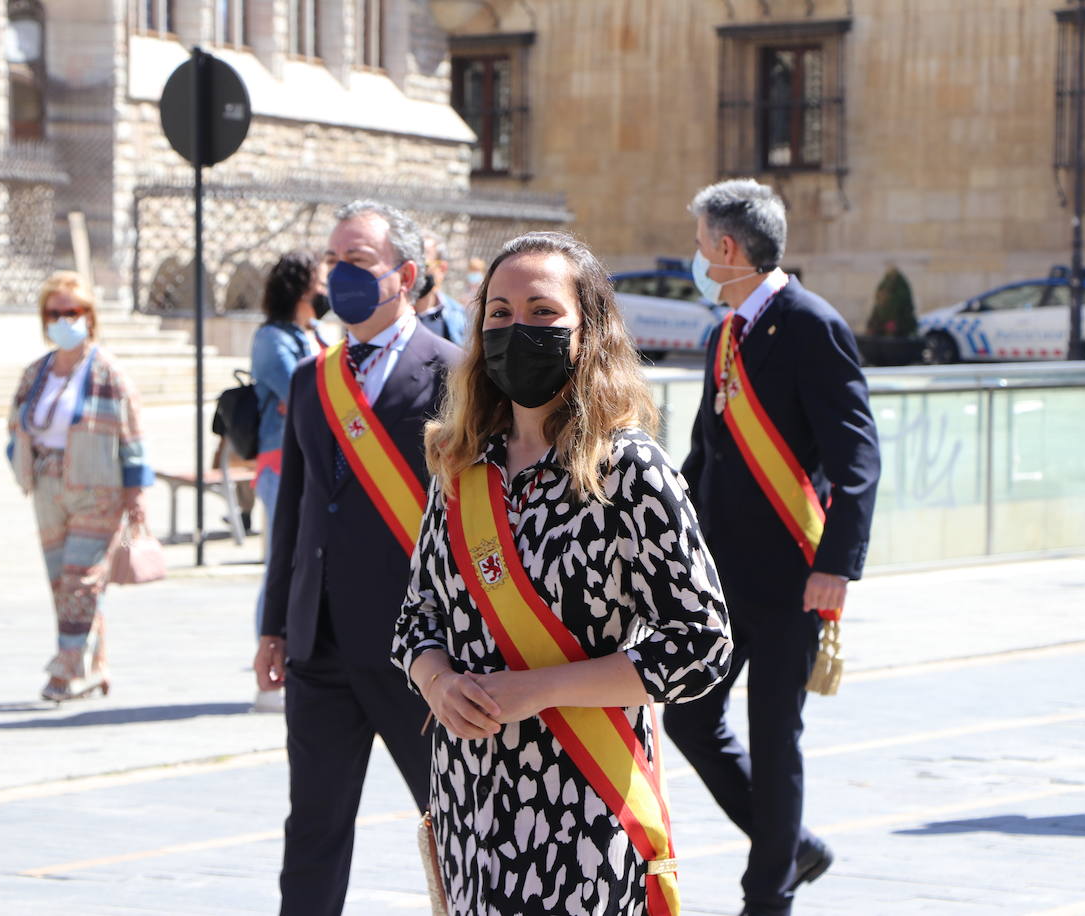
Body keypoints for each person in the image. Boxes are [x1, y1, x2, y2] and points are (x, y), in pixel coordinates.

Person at [393, 231, 734, 916]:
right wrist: (436, 681)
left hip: (585, 807)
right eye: (500, 313)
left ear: (590, 330)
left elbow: (701, 644)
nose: (519, 328)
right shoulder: (460, 467)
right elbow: (417, 617)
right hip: (471, 804)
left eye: (543, 312)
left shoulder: (629, 470)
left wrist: (538, 690)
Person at [662, 179, 881, 916]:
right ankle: (791, 846)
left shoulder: (810, 323)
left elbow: (858, 457)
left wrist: (837, 567)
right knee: (688, 717)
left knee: (774, 739)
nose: (696, 258)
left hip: (794, 575)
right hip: (720, 578)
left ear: (727, 249)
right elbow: (705, 456)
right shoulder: (727, 334)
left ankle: (768, 899)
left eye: (700, 245)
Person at [252, 200, 461, 916]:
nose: (339, 275)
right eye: (333, 262)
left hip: (421, 652)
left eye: (359, 262)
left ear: (405, 275)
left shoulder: (456, 374)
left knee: (456, 824)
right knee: (312, 829)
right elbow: (297, 514)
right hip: (321, 648)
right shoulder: (314, 379)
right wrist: (275, 622)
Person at [6, 271, 152, 703]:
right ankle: (95, 666)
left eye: (73, 311)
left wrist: (136, 492)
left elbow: (133, 434)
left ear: (89, 316)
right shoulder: (37, 372)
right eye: (55, 312)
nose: (64, 319)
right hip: (48, 486)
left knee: (82, 581)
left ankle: (67, 670)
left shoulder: (108, 372)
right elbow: (17, 424)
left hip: (97, 487)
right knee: (61, 583)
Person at [248, 250, 329, 711]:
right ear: (299, 288)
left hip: (313, 461)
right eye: (318, 281)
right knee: (282, 562)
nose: (325, 291)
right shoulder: (271, 339)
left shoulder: (313, 334)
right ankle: (269, 659)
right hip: (281, 463)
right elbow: (304, 395)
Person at [413, 232, 468, 344]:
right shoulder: (388, 315)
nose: (415, 273)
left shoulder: (458, 316)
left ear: (442, 269)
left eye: (423, 266)